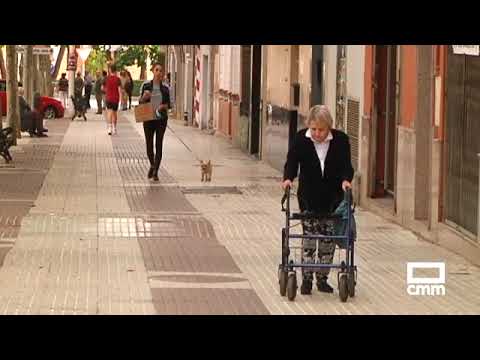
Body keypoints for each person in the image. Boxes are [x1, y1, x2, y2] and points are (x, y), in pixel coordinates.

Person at [282, 105, 353, 294]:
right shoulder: (300, 139)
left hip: (332, 198)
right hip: (309, 197)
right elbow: (292, 162)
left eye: (321, 129)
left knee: (328, 239)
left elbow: (347, 165)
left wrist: (346, 180)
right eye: (313, 129)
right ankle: (306, 280)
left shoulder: (341, 140)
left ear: (328, 127)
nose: (317, 133)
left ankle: (322, 279)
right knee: (310, 238)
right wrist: (288, 178)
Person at [139, 63, 171, 182]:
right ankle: (152, 165)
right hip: (148, 118)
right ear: (153, 71)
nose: (159, 73)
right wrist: (144, 97)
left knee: (159, 144)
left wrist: (163, 106)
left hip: (161, 119)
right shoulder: (146, 85)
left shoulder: (165, 89)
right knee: (149, 145)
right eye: (157, 70)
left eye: (161, 70)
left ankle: (156, 171)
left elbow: (169, 105)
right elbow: (140, 103)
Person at [104, 64, 122, 135]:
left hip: (108, 98)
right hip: (116, 98)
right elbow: (119, 89)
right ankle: (114, 128)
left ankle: (109, 128)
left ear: (110, 70)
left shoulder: (106, 78)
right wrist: (120, 98)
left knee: (109, 112)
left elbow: (103, 88)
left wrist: (107, 91)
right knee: (114, 113)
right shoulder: (118, 79)